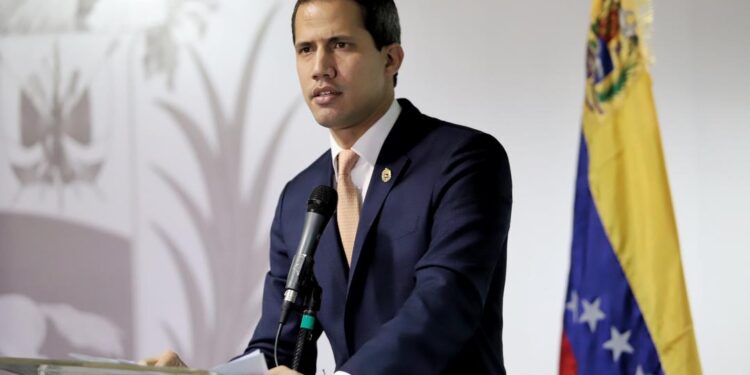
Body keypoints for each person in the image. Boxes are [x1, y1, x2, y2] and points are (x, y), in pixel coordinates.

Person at [141, 0, 512, 374]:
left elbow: (444, 304)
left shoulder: (464, 160)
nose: (320, 68)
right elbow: (278, 346)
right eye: (306, 49)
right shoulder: (300, 196)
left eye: (340, 45)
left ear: (391, 59)